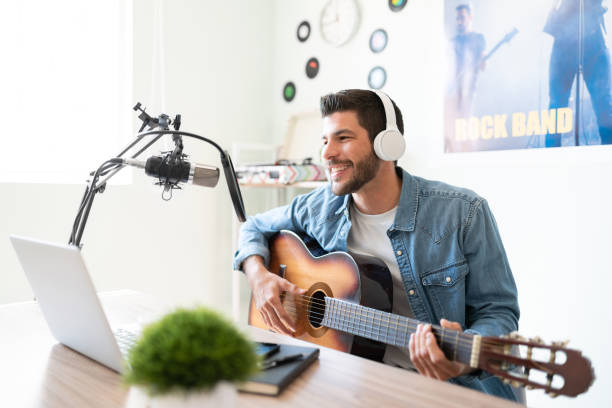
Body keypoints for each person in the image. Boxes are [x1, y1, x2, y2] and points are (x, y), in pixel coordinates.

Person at [233, 89, 520, 401]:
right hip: (347, 377)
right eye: (324, 141)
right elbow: (254, 227)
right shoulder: (318, 207)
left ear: (387, 144)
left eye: (342, 138)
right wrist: (258, 277)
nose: (327, 154)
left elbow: (499, 313)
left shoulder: (463, 213)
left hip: (444, 389)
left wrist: (462, 361)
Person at [544, 0, 612, 147]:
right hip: (564, 41)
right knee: (556, 106)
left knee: (604, 104)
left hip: (592, 38)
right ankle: (550, 157)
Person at [451, 4, 486, 118]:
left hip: (472, 93)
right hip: (454, 92)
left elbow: (484, 65)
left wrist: (481, 62)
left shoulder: (479, 38)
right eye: (457, 18)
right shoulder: (452, 42)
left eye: (462, 18)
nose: (459, 22)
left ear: (470, 17)